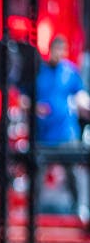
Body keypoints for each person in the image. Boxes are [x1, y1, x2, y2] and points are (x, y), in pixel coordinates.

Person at [35, 34, 90, 224]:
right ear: (50, 50)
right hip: (43, 135)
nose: (59, 54)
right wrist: (33, 107)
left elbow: (81, 96)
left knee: (73, 173)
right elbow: (23, 97)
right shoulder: (38, 71)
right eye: (56, 49)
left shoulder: (70, 72)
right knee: (37, 174)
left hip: (67, 134)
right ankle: (32, 214)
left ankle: (79, 212)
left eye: (62, 50)